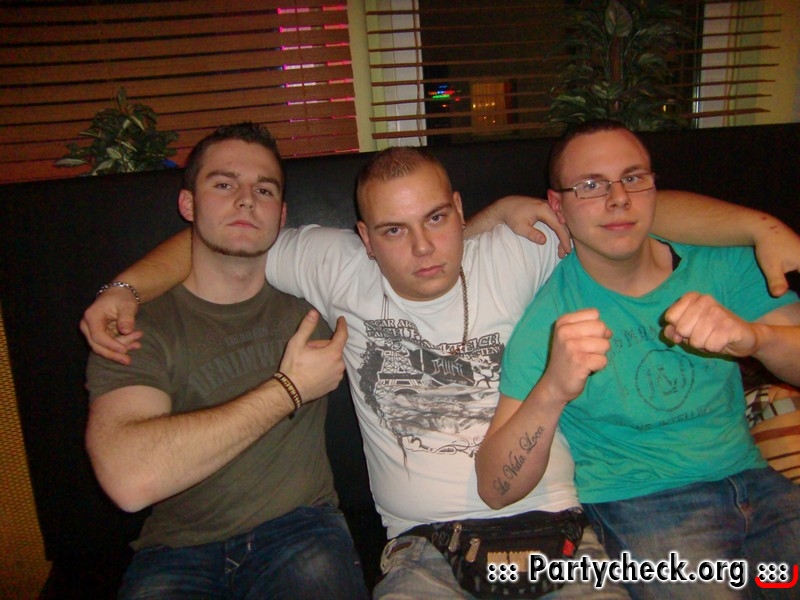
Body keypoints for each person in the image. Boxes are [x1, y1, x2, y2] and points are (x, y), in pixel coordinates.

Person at [82, 144, 800, 599]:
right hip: (424, 549)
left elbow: (631, 211)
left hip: (558, 532)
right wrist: (124, 289)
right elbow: (225, 242)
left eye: (436, 219)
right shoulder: (334, 265)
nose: (423, 249)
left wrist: (761, 227)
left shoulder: (521, 247)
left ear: (459, 211)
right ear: (365, 239)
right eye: (394, 230)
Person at [476, 119, 800, 599]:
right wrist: (552, 389)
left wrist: (757, 338)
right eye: (591, 185)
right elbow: (495, 488)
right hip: (644, 505)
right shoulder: (550, 320)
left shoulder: (720, 262)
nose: (618, 199)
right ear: (557, 206)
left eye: (632, 178)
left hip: (758, 482)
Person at [84, 123, 369, 599]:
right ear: (188, 204)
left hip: (301, 531)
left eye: (264, 189)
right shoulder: (138, 325)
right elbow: (129, 480)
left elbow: (420, 255)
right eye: (223, 184)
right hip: (177, 550)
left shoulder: (315, 296)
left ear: (281, 215)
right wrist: (289, 390)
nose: (245, 201)